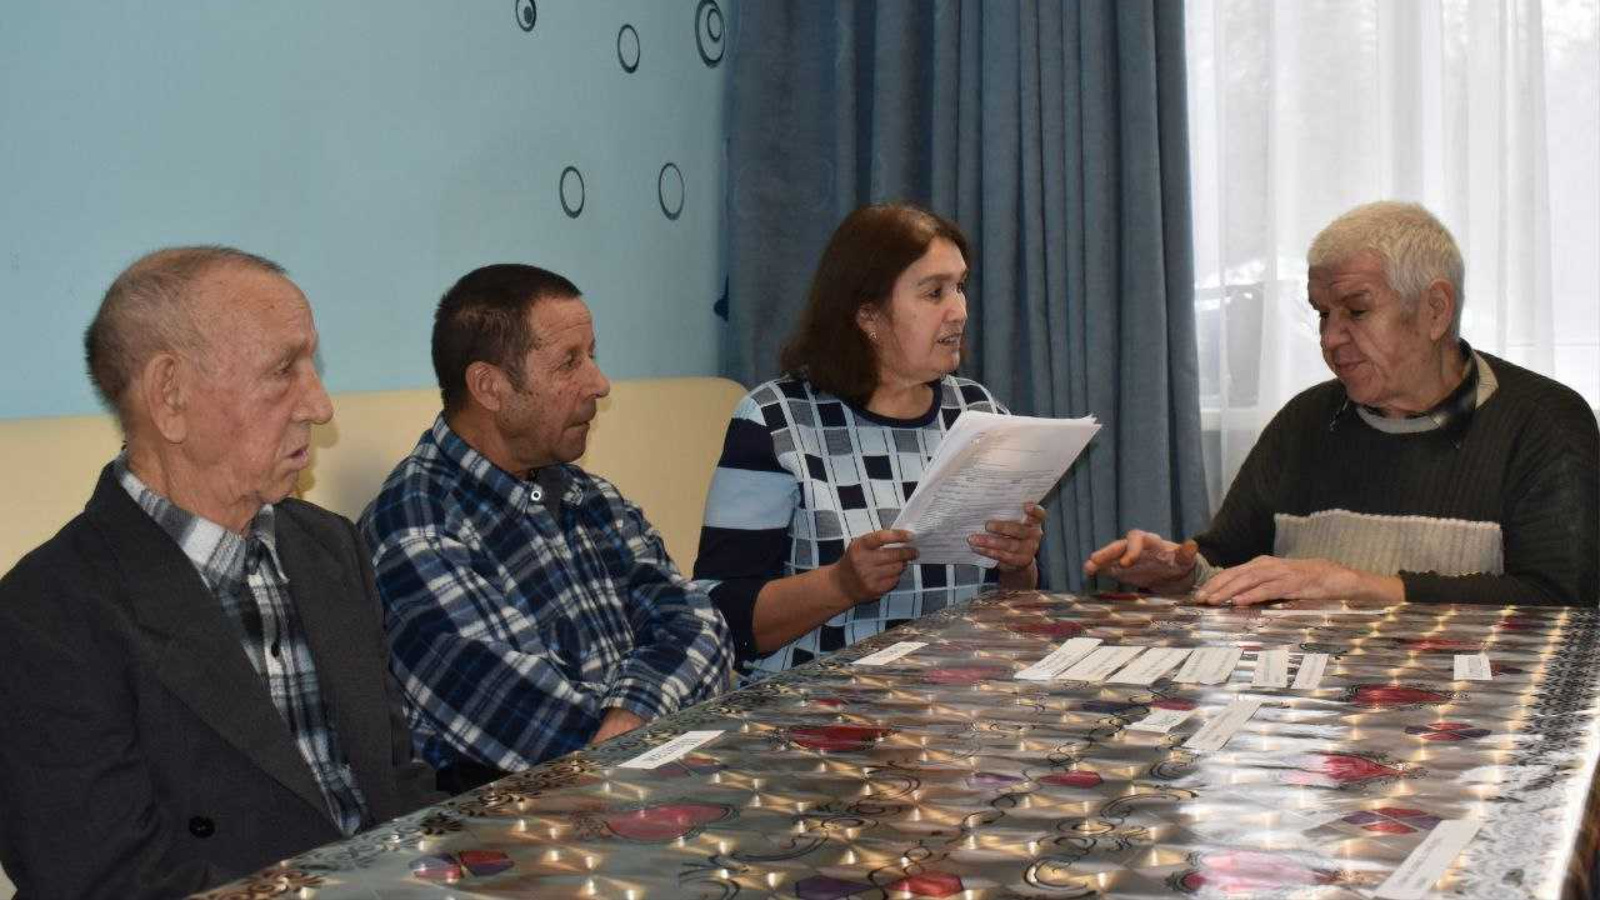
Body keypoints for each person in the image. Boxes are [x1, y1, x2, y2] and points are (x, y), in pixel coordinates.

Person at [0, 247, 437, 900]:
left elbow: (397, 783)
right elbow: (106, 881)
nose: (320, 406)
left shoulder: (328, 548)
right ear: (171, 396)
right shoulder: (47, 614)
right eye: (283, 370)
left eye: (311, 366)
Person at [1085, 201, 1599, 607]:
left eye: (1356, 311)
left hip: (1471, 704)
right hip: (1309, 702)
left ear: (1435, 310)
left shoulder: (1544, 423)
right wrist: (1180, 573)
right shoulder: (1305, 421)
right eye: (1322, 314)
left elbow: (1563, 601)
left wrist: (1359, 587)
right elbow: (1228, 563)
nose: (1331, 338)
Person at [359, 264, 732, 793]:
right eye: (569, 362)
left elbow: (700, 626)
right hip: (520, 817)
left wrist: (634, 712)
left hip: (652, 783)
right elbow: (540, 730)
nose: (599, 384)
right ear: (489, 386)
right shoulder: (415, 530)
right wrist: (649, 718)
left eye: (592, 355)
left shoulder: (588, 496)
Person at [694, 203, 1047, 680]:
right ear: (868, 315)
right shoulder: (774, 421)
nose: (960, 311)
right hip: (816, 705)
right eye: (935, 292)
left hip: (955, 697)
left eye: (960, 287)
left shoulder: (980, 414)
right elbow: (718, 615)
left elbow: (1014, 607)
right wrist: (840, 585)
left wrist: (1018, 566)